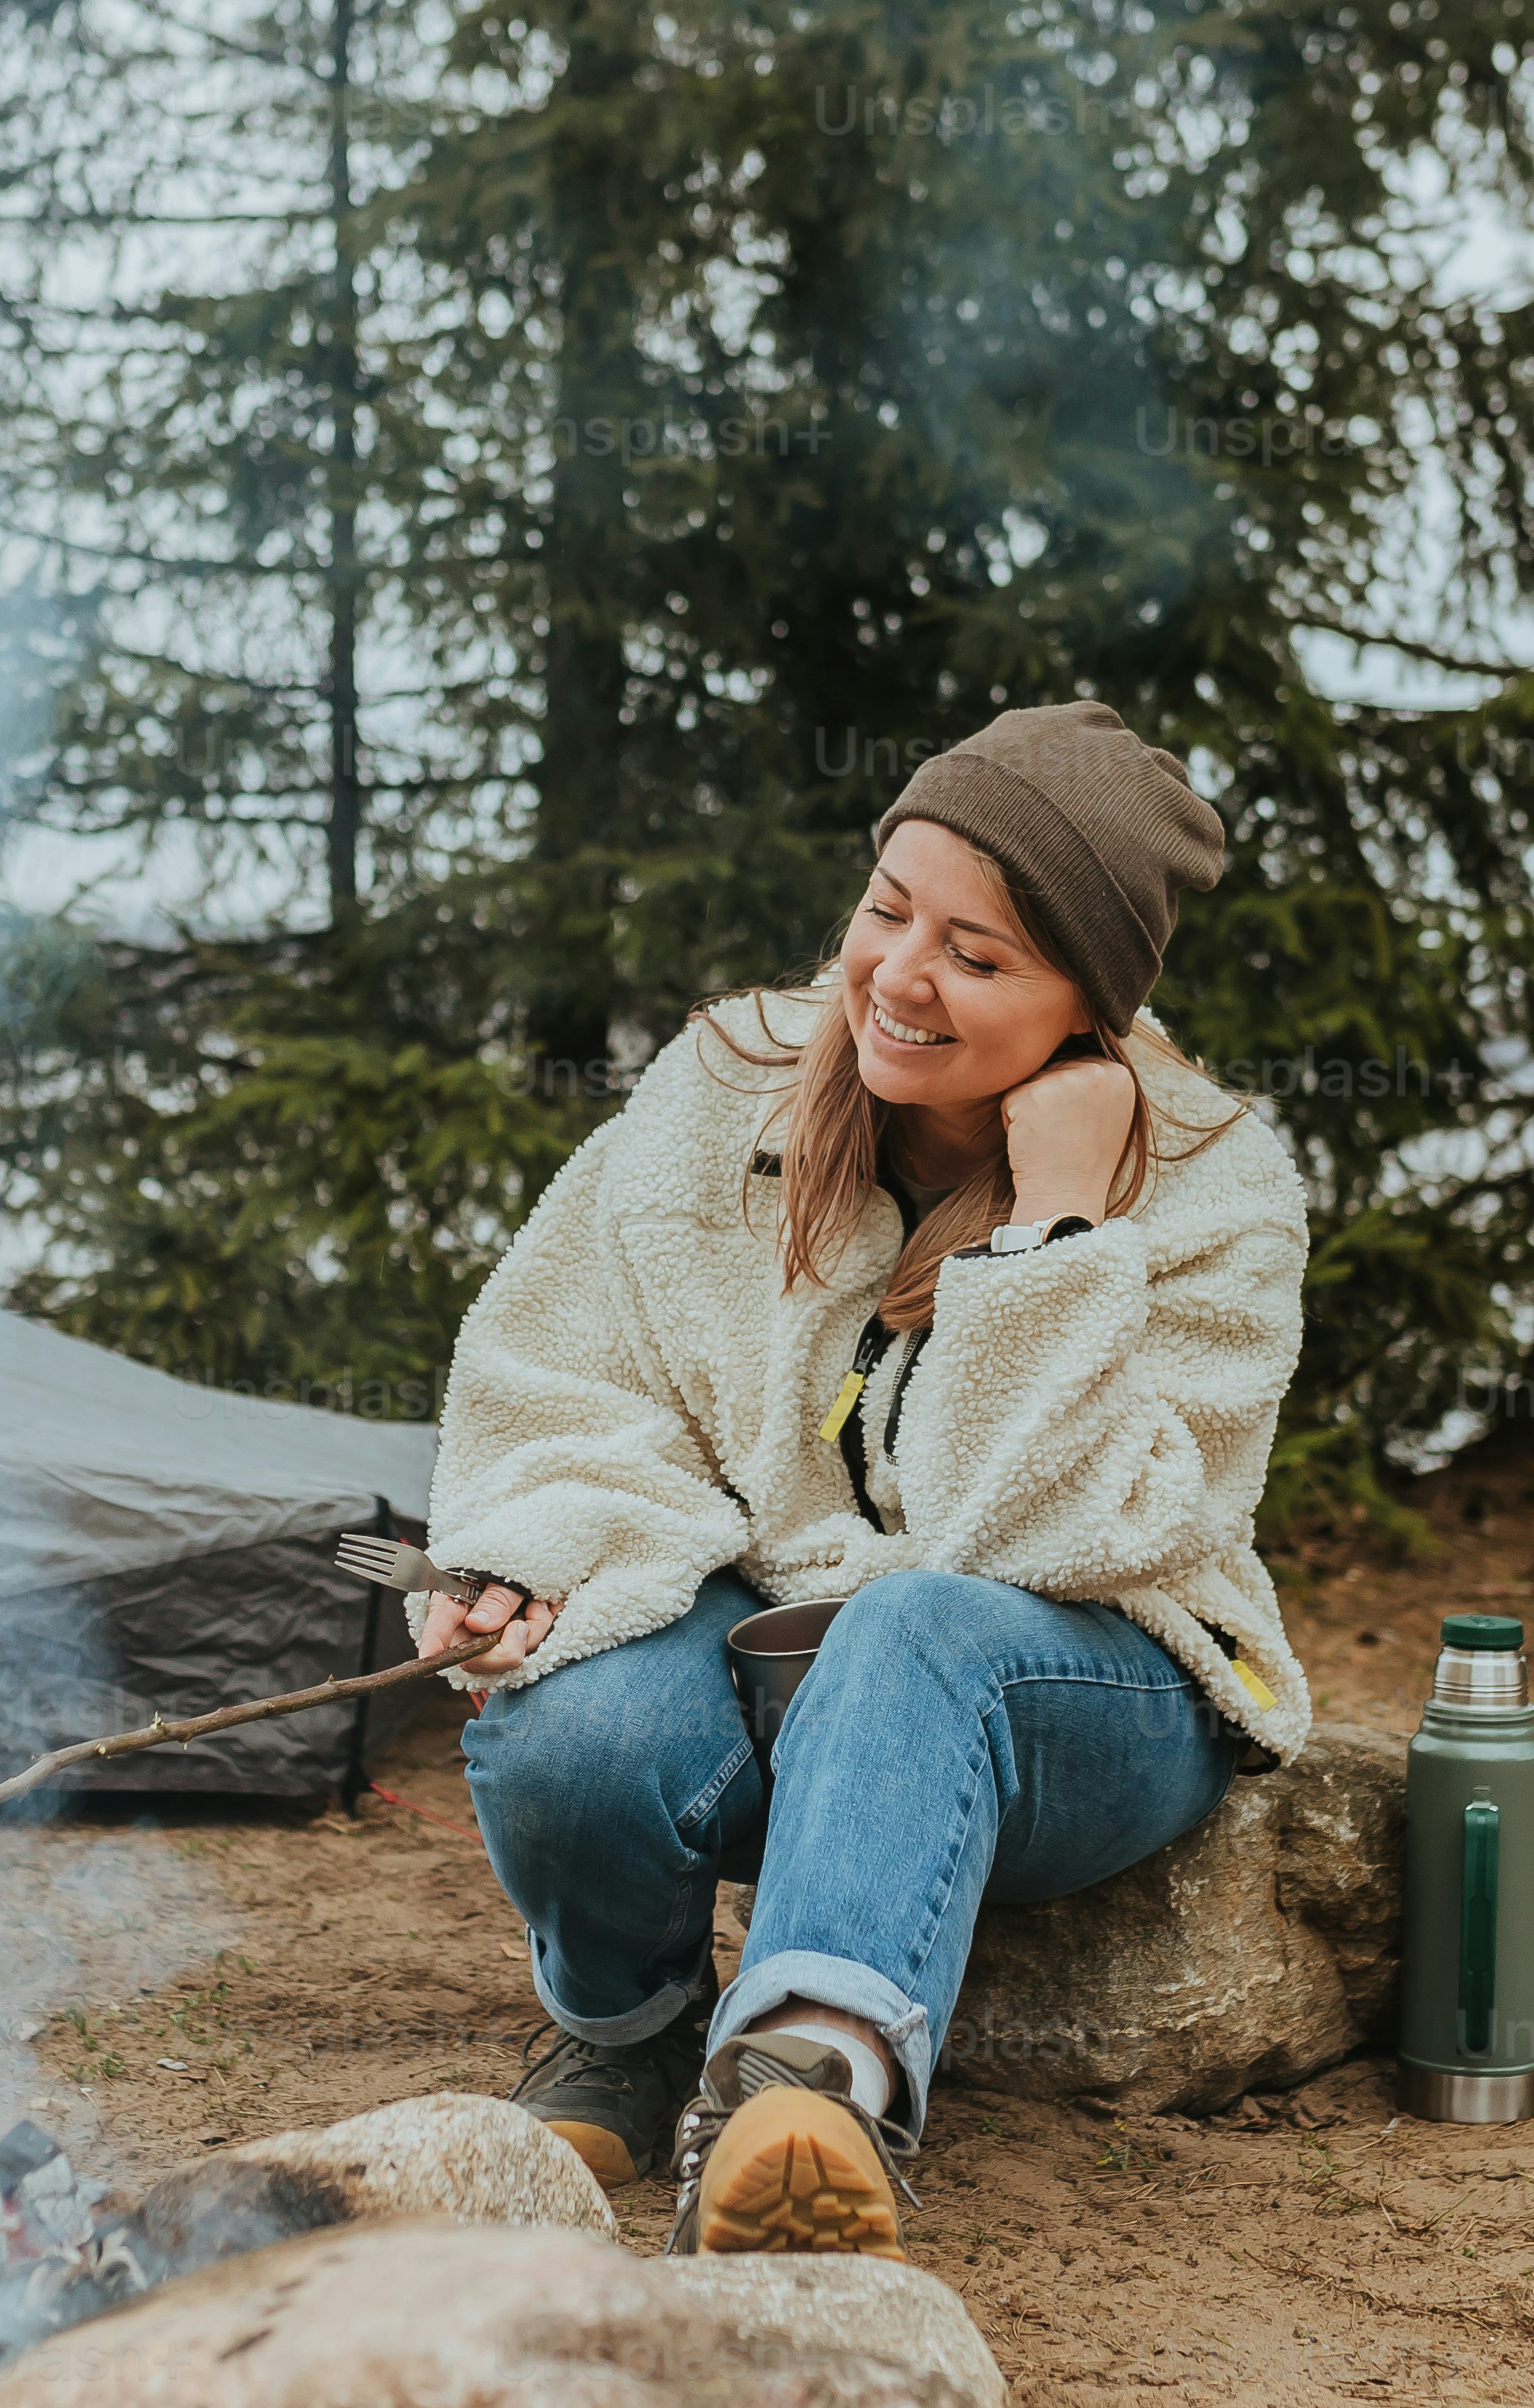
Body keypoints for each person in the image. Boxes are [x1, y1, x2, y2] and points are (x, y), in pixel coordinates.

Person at [417, 702, 1311, 2258]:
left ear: (1090, 1004)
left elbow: (1042, 1534)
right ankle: (629, 2034)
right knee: (573, 1716)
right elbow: (566, 1379)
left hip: (1084, 1685)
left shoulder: (1220, 1191)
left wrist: (1057, 1229)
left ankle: (809, 2084)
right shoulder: (726, 1089)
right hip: (778, 1654)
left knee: (916, 1628)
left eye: (979, 955)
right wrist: (547, 1554)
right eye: (889, 910)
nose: (900, 976)